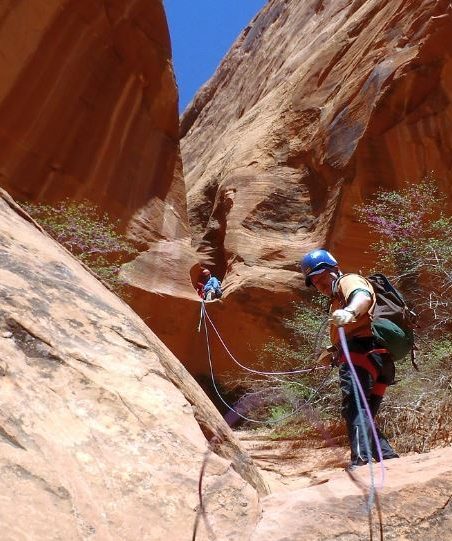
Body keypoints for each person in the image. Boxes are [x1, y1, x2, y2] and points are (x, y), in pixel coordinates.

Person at [300, 248, 399, 470]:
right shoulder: (336, 301)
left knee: (355, 406)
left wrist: (351, 312)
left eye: (320, 276)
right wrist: (329, 354)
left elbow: (362, 296)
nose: (318, 283)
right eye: (313, 281)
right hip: (379, 362)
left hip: (362, 355)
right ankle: (388, 457)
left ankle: (361, 462)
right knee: (361, 412)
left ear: (334, 269)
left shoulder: (348, 280)